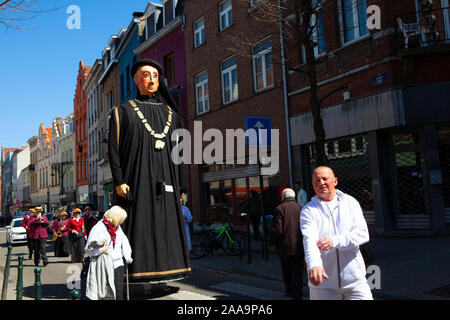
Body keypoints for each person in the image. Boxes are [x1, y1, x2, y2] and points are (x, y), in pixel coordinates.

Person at [108, 58, 190, 283]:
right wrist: (119, 180)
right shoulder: (122, 112)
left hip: (167, 179)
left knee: (166, 225)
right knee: (140, 223)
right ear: (136, 79)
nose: (152, 80)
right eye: (146, 75)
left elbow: (180, 155)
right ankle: (135, 271)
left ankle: (168, 269)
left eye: (155, 75)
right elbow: (113, 150)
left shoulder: (173, 116)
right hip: (136, 179)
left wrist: (182, 186)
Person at [300, 166, 373, 300]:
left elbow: (362, 234)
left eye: (325, 179)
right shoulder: (308, 210)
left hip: (355, 281)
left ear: (335, 181)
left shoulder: (350, 203)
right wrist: (314, 264)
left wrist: (335, 241)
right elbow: (309, 240)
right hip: (323, 284)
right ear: (312, 185)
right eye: (317, 180)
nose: (321, 183)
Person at [85, 206, 133, 300]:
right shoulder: (98, 228)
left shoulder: (117, 228)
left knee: (118, 291)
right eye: (120, 220)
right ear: (114, 217)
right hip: (104, 265)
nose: (121, 222)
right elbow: (88, 249)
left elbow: (124, 241)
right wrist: (101, 250)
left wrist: (127, 256)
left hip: (118, 263)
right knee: (106, 293)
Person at [270, 188, 304, 300]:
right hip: (299, 245)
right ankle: (298, 292)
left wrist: (272, 241)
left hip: (285, 246)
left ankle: (289, 290)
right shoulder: (301, 208)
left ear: (283, 197)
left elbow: (277, 230)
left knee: (287, 269)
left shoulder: (280, 208)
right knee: (297, 270)